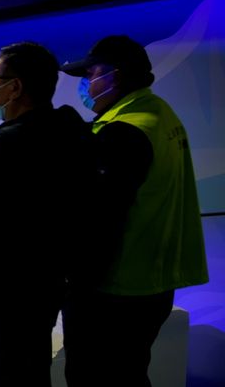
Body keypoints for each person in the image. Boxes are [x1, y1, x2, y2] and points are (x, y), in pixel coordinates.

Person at [0, 42, 94, 387]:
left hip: (3, 294)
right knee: (33, 371)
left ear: (16, 87)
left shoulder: (15, 140)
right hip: (45, 286)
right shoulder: (70, 131)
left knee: (5, 376)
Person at [59, 35, 208, 387]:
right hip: (153, 281)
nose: (84, 84)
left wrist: (74, 279)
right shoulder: (158, 114)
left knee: (94, 375)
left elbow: (101, 218)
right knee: (129, 372)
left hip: (117, 286)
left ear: (115, 76)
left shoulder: (124, 133)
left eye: (90, 74)